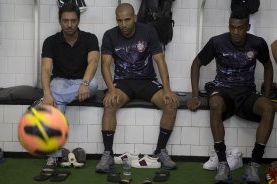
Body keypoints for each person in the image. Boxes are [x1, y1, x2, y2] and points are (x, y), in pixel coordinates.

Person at [187, 8, 275, 184]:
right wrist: (195, 95)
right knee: (215, 104)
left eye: (240, 28)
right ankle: (222, 164)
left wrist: (265, 95)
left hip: (246, 92)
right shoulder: (217, 42)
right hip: (223, 89)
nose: (235, 32)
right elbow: (196, 64)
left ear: (247, 27)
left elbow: (268, 66)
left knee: (268, 107)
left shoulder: (257, 43)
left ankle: (254, 165)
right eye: (232, 27)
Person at [96, 3, 179, 173]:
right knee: (109, 104)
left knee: (170, 104)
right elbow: (105, 65)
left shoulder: (148, 32)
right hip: (123, 83)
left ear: (134, 18)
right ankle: (107, 154)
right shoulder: (110, 35)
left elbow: (160, 61)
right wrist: (111, 90)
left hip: (147, 81)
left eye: (127, 19)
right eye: (120, 20)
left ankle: (160, 151)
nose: (123, 24)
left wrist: (167, 89)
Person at [40, 3, 99, 171]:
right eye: (65, 21)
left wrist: (84, 83)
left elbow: (94, 62)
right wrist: (46, 93)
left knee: (93, 83)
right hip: (60, 81)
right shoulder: (50, 41)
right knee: (55, 91)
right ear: (60, 22)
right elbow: (45, 69)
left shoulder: (90, 38)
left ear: (78, 20)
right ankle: (53, 156)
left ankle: (48, 102)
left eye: (73, 20)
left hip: (83, 83)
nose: (69, 24)